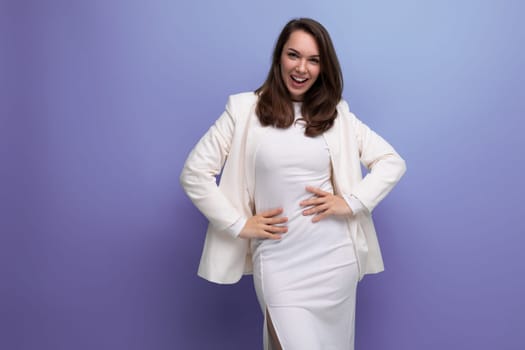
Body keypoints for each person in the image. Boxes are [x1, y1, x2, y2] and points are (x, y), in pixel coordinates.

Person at [180, 17, 406, 350]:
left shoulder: (338, 114)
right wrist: (238, 224)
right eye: (293, 55)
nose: (302, 67)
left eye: (313, 60)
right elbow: (194, 173)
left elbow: (392, 162)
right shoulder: (243, 110)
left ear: (323, 66)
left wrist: (352, 201)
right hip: (277, 262)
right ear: (279, 58)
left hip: (335, 260)